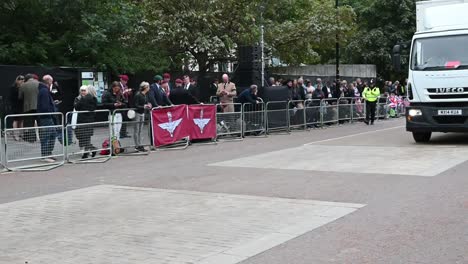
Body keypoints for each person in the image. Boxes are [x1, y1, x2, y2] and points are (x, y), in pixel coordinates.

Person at [74, 85, 98, 159]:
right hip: (86, 120)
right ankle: (91, 149)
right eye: (82, 90)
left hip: (84, 120)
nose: (83, 92)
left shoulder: (85, 98)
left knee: (85, 137)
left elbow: (77, 107)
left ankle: (87, 152)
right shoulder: (92, 98)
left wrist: (81, 100)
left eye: (84, 90)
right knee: (84, 136)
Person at [37, 81, 57, 162]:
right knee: (47, 136)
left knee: (52, 134)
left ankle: (48, 153)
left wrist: (52, 104)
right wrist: (51, 110)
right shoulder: (44, 91)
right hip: (46, 117)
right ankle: (45, 155)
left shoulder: (43, 90)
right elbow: (45, 106)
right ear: (48, 83)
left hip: (47, 116)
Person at [19, 74, 40, 143]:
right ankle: (42, 137)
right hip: (38, 107)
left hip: (28, 107)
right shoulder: (39, 83)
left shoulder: (23, 85)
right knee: (40, 123)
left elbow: (20, 97)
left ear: (26, 79)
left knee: (29, 124)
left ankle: (31, 139)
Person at [133, 82, 152, 152]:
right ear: (145, 87)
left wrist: (148, 104)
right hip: (137, 113)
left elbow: (145, 103)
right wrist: (144, 106)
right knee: (136, 130)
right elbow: (135, 105)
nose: (149, 88)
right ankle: (137, 145)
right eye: (148, 86)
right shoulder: (138, 95)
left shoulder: (145, 95)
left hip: (142, 113)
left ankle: (140, 145)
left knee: (140, 130)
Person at [9, 75, 25, 141]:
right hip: (15, 106)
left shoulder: (23, 87)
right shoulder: (13, 88)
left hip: (21, 106)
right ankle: (16, 135)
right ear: (17, 80)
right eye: (21, 80)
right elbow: (12, 98)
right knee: (16, 120)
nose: (22, 81)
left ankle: (21, 134)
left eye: (23, 80)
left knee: (21, 120)